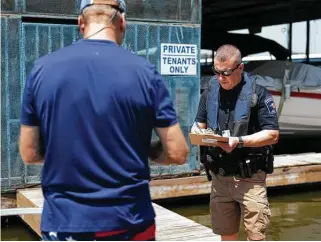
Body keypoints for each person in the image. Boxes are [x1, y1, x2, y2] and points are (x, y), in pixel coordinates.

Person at [19, 0, 189, 240]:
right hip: (128, 220)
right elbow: (177, 152)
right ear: (122, 22)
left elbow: (29, 153)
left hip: (65, 222)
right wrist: (145, 149)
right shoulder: (145, 73)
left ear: (80, 23)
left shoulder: (42, 70)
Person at [192, 44, 279, 241]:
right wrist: (196, 131)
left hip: (249, 179)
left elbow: (272, 134)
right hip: (220, 178)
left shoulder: (260, 94)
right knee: (226, 235)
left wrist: (238, 141)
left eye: (226, 73)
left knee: (256, 236)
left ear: (240, 68)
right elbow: (200, 123)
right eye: (216, 72)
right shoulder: (209, 93)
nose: (220, 77)